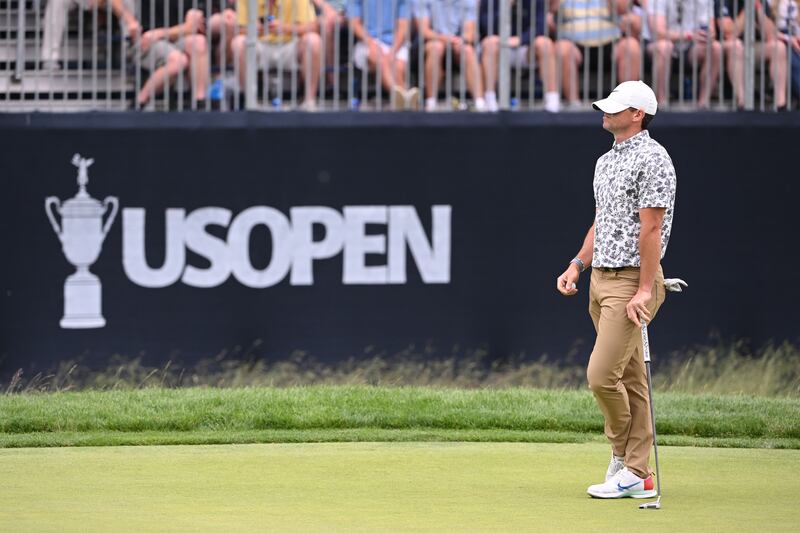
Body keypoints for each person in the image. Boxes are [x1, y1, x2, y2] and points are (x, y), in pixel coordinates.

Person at [556, 80, 676, 499]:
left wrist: (645, 289)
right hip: (599, 278)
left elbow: (652, 228)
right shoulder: (605, 162)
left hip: (631, 280)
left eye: (616, 108)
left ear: (638, 114)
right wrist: (577, 263)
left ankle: (625, 455)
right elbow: (602, 221)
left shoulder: (654, 159)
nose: (605, 112)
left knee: (601, 376)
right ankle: (639, 473)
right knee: (629, 376)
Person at [231, 0, 322, 110]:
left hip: (290, 45)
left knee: (313, 41)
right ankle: (250, 102)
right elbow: (237, 29)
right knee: (238, 43)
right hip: (258, 45)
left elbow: (313, 27)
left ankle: (309, 102)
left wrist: (285, 28)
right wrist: (254, 29)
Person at [553, 0, 643, 107]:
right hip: (573, 45)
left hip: (610, 43)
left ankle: (627, 106)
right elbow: (550, 9)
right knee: (562, 48)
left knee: (631, 46)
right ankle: (574, 105)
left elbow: (622, 9)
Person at [479, 0, 560, 112]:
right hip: (499, 46)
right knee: (489, 43)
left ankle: (552, 102)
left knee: (545, 43)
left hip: (526, 48)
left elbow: (540, 26)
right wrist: (507, 6)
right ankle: (490, 101)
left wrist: (521, 40)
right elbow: (485, 25)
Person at [413, 0, 486, 111]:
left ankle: (480, 104)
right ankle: (431, 103)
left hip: (456, 43)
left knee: (467, 50)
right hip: (429, 43)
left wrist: (459, 40)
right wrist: (446, 39)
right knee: (436, 48)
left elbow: (470, 33)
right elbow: (424, 31)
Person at [647, 0, 721, 107]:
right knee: (665, 47)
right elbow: (658, 33)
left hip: (690, 48)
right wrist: (688, 35)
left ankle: (703, 103)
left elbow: (712, 31)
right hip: (657, 45)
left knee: (715, 48)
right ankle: (661, 102)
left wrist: (708, 35)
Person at [348, 0, 418, 109]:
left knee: (398, 67)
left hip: (397, 44)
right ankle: (406, 101)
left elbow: (403, 26)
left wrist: (392, 51)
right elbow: (354, 23)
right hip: (366, 42)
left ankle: (402, 102)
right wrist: (371, 44)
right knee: (381, 61)